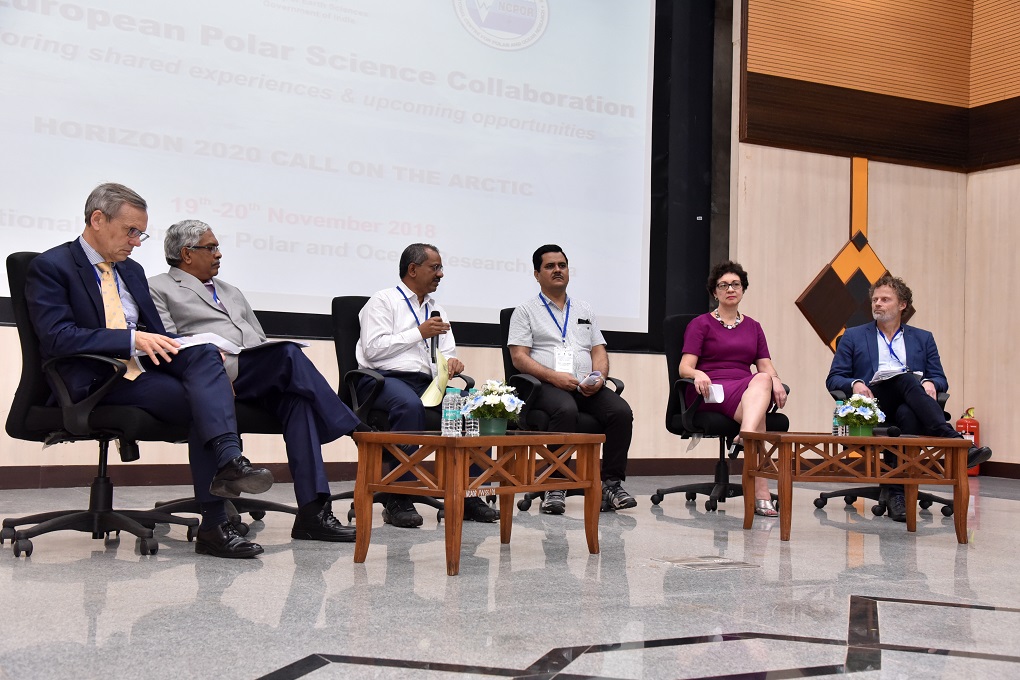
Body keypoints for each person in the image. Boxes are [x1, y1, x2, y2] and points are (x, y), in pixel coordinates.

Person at [25, 183, 274, 559]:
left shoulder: (133, 271)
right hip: (93, 382)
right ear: (97, 219)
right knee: (198, 401)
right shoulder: (52, 266)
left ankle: (228, 462)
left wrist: (202, 361)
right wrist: (130, 340)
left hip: (139, 374)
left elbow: (158, 336)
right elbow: (58, 338)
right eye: (131, 231)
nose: (138, 242)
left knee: (206, 356)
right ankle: (215, 519)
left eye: (141, 233)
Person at [148, 220, 365, 543]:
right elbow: (166, 344)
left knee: (298, 402)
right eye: (211, 247)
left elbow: (258, 338)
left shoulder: (231, 291)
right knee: (289, 355)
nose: (219, 254)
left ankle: (312, 511)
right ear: (187, 254)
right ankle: (355, 430)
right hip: (209, 375)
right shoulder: (159, 288)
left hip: (252, 372)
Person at [826, 274, 992, 522]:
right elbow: (834, 378)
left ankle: (897, 495)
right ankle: (953, 441)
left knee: (907, 413)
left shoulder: (923, 338)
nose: (877, 304)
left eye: (885, 299)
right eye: (875, 299)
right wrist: (856, 383)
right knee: (905, 378)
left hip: (911, 405)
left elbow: (940, 378)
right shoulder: (854, 336)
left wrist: (930, 382)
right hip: (873, 404)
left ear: (902, 305)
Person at [357, 243, 498, 527]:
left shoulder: (436, 309)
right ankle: (399, 497)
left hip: (427, 383)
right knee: (408, 406)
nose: (441, 274)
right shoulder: (383, 301)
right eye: (435, 268)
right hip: (383, 380)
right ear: (413, 269)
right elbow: (372, 350)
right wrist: (417, 333)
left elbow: (445, 353)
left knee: (474, 409)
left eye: (440, 268)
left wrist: (453, 364)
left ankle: (469, 495)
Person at [507, 244, 637, 514]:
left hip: (584, 385)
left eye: (562, 265)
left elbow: (598, 349)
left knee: (620, 412)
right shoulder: (525, 311)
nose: (557, 270)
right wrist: (554, 376)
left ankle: (611, 484)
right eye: (550, 266)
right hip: (543, 386)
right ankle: (555, 485)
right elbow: (519, 357)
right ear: (536, 274)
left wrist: (599, 376)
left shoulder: (584, 308)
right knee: (566, 409)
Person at [679, 261, 788, 517]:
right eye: (723, 285)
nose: (730, 289)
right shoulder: (701, 324)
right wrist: (698, 373)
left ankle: (746, 434)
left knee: (762, 380)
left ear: (743, 289)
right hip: (710, 390)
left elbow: (765, 366)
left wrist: (777, 380)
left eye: (735, 284)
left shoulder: (754, 326)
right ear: (714, 292)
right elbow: (684, 367)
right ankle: (760, 493)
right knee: (759, 399)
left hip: (745, 389)